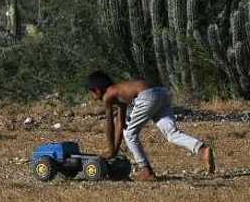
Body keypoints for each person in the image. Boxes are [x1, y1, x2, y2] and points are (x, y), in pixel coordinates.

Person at [85, 71, 214, 181]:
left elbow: (110, 124)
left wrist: (110, 151)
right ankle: (202, 149)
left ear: (97, 90)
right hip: (161, 93)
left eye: (91, 93)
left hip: (147, 96)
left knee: (129, 134)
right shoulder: (119, 91)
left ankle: (146, 170)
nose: (92, 97)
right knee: (171, 134)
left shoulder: (108, 96)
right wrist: (114, 150)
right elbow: (120, 123)